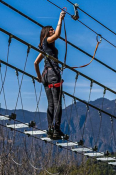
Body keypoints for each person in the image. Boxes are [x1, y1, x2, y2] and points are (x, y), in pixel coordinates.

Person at [34, 10, 66, 139]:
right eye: (51, 30)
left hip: (46, 76)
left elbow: (36, 63)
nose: (53, 31)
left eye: (53, 29)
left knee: (51, 104)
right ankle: (57, 129)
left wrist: (39, 77)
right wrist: (60, 19)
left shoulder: (43, 47)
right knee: (57, 103)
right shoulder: (47, 41)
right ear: (47, 33)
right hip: (53, 74)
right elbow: (58, 34)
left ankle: (50, 128)